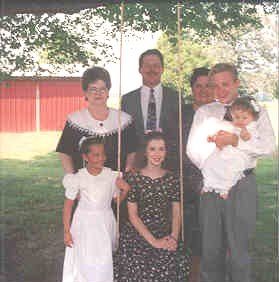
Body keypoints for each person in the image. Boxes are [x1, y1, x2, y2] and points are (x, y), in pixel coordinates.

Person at [187, 63, 276, 282]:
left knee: (239, 251)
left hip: (242, 185)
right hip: (211, 186)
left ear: (237, 83)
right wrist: (217, 170)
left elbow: (268, 147)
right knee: (210, 250)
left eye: (225, 84)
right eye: (214, 85)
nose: (220, 90)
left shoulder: (255, 111)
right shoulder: (205, 113)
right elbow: (193, 150)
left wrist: (235, 141)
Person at [114, 132, 190, 282]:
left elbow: (176, 212)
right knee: (139, 263)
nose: (157, 154)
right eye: (152, 149)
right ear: (145, 152)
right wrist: (153, 241)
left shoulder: (172, 178)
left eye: (161, 149)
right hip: (138, 233)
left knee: (171, 261)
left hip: (163, 230)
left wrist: (174, 238)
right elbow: (133, 215)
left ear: (166, 152)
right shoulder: (134, 178)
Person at [62, 137, 130, 282]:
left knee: (103, 259)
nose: (101, 158)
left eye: (103, 154)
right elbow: (68, 206)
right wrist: (67, 231)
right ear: (85, 157)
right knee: (84, 258)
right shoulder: (78, 178)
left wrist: (125, 191)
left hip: (105, 222)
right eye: (96, 155)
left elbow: (116, 202)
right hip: (84, 223)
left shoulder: (112, 176)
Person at [56, 66, 137, 174]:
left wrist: (126, 174)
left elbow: (132, 152)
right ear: (85, 92)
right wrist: (72, 179)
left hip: (116, 185)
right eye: (93, 89)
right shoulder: (75, 120)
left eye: (102, 89)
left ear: (108, 91)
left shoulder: (124, 120)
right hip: (83, 186)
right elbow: (64, 152)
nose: (98, 93)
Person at [121, 49, 183, 171]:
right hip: (136, 163)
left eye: (156, 66)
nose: (151, 70)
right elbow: (124, 135)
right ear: (140, 69)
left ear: (162, 69)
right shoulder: (127, 100)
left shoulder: (176, 98)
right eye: (147, 66)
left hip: (168, 163)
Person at [183, 67, 214, 282]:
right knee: (192, 241)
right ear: (192, 89)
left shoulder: (224, 112)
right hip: (186, 184)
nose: (203, 90)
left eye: (208, 86)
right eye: (198, 86)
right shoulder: (181, 113)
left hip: (216, 185)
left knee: (216, 240)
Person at [202, 96, 261, 199]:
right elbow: (226, 134)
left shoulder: (250, 128)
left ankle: (225, 187)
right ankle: (208, 184)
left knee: (231, 168)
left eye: (244, 118)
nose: (240, 121)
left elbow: (246, 138)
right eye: (237, 117)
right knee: (210, 162)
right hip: (228, 150)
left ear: (253, 118)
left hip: (240, 154)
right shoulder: (234, 126)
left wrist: (243, 133)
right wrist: (214, 137)